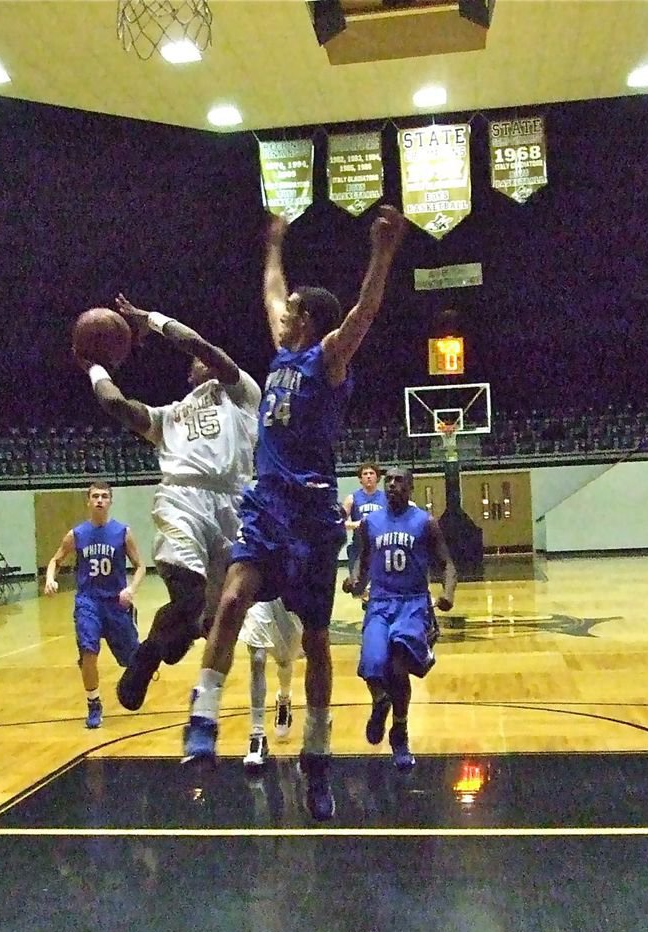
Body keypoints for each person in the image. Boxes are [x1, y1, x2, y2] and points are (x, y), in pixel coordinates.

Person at [183, 205, 408, 821]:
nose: (280, 315)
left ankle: (317, 757)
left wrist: (383, 252)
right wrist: (274, 242)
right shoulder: (281, 358)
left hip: (311, 519)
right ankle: (202, 719)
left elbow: (364, 312)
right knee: (228, 601)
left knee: (314, 641)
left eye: (291, 313)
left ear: (309, 321)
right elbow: (271, 288)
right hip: (266, 508)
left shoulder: (328, 359)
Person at [82, 294, 260, 712]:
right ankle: (146, 657)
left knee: (212, 621)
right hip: (182, 498)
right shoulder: (167, 416)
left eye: (206, 357)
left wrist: (153, 320)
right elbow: (115, 404)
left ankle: (177, 634)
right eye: (195, 362)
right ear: (189, 374)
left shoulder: (240, 393)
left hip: (234, 505)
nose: (202, 360)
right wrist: (93, 366)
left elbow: (202, 346)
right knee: (190, 594)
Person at [344, 467, 456, 770]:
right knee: (372, 666)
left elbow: (447, 564)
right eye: (389, 480)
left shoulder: (425, 523)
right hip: (380, 603)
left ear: (410, 487)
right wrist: (354, 580)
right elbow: (362, 562)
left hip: (412, 605)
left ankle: (401, 730)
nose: (392, 485)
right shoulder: (371, 523)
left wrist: (447, 594)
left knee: (397, 668)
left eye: (399, 481)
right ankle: (380, 702)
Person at [44, 481, 145, 729]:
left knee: (131, 661)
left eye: (104, 496)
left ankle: (136, 659)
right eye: (95, 496)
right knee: (89, 652)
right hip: (88, 601)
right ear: (88, 501)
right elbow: (55, 560)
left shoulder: (122, 532)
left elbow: (140, 565)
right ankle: (94, 703)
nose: (100, 500)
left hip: (116, 603)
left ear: (110, 501)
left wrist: (131, 589)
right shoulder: (77, 534)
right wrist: (49, 579)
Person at [238, 598, 302, 771]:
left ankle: (284, 697)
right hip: (258, 596)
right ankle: (257, 736)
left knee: (285, 661)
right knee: (257, 659)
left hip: (287, 597)